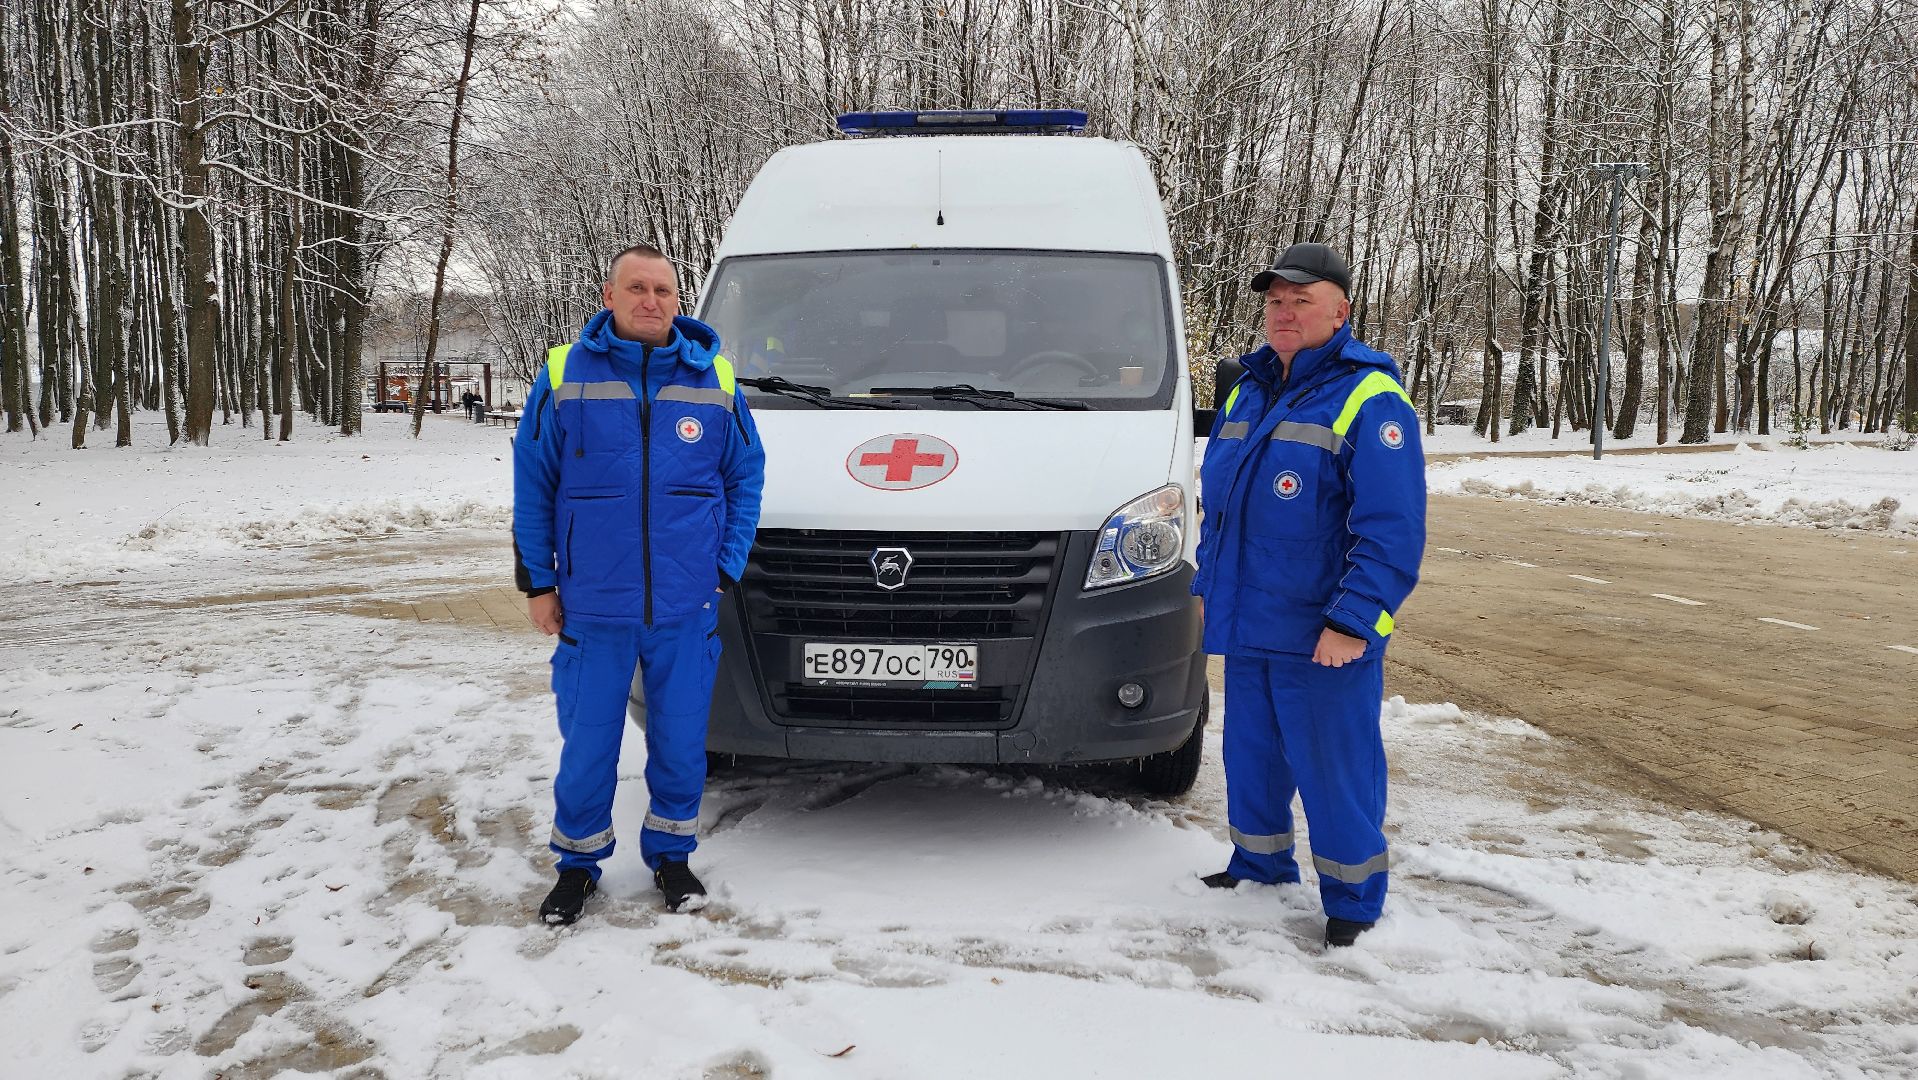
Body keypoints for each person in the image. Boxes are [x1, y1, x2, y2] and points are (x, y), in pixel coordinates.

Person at [512, 244, 765, 924]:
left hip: (686, 604)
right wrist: (539, 583)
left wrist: (725, 564)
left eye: (664, 290)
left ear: (679, 300)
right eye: (638, 288)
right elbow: (534, 484)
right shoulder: (566, 373)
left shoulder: (714, 375)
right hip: (594, 604)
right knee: (589, 741)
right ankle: (577, 865)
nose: (652, 301)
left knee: (681, 741)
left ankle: (673, 857)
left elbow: (746, 476)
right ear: (609, 295)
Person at [1192, 242, 1425, 947]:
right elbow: (1222, 509)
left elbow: (1392, 528)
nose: (1285, 312)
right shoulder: (1250, 387)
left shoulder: (1369, 396)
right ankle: (1259, 864)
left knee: (1334, 768)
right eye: (1275, 300)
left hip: (1323, 634)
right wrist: (1208, 588)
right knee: (1252, 757)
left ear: (1340, 310)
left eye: (1302, 299)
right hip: (1252, 624)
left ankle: (1353, 901)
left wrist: (1354, 620)